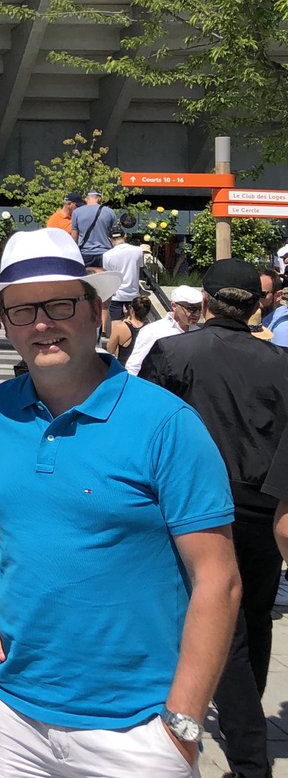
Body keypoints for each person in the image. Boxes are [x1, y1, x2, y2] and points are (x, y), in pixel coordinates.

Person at [0, 228, 241, 778]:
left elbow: (219, 580)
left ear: (95, 308)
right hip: (12, 713)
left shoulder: (166, 424)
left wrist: (181, 723)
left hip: (136, 727)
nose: (42, 323)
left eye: (60, 303)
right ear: (6, 323)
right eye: (21, 310)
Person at [140, 258, 288, 778]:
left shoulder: (174, 351)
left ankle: (249, 754)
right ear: (258, 304)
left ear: (203, 300)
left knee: (221, 623)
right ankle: (243, 715)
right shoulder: (281, 361)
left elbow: (145, 423)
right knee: (253, 615)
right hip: (265, 506)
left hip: (194, 506)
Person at [125, 283, 202, 376]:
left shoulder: (200, 333)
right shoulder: (153, 331)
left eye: (199, 309)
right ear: (174, 306)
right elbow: (134, 366)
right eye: (191, 308)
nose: (197, 314)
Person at [101, 227, 144, 336]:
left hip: (116, 294)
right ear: (124, 236)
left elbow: (108, 276)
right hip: (133, 294)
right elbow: (140, 267)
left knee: (116, 327)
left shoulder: (107, 255)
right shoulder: (138, 251)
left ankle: (116, 350)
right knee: (135, 326)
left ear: (109, 239)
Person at [70, 189, 118, 268]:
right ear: (99, 199)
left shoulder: (76, 212)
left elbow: (74, 236)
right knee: (104, 278)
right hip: (105, 253)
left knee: (86, 279)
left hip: (85, 253)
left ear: (86, 199)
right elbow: (115, 235)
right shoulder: (110, 212)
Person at [107, 294, 152, 368]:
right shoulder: (151, 328)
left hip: (124, 369)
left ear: (131, 309)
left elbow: (110, 350)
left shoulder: (120, 327)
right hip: (143, 371)